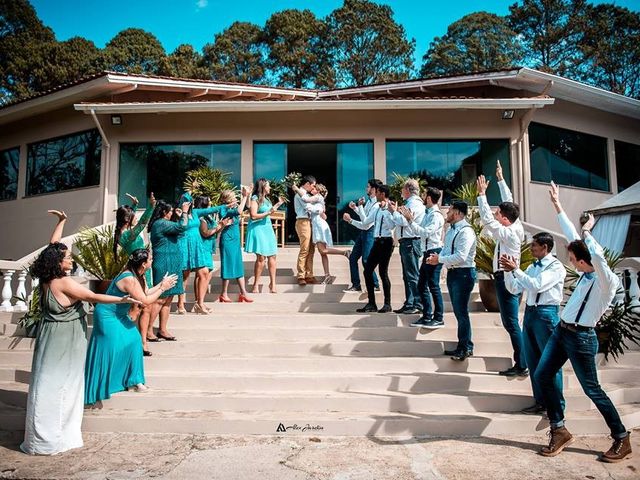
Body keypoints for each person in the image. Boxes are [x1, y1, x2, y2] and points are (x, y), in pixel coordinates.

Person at [21, 210, 141, 456]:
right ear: (58, 263)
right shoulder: (64, 283)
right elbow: (94, 296)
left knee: (45, 383)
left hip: (49, 337)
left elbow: (52, 246)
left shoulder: (47, 279)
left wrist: (61, 222)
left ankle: (39, 438)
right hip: (64, 341)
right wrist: (123, 298)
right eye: (67, 258)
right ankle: (54, 439)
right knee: (62, 385)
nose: (71, 259)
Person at [534, 181, 631, 462]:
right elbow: (573, 237)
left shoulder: (605, 281)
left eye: (575, 259)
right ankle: (559, 429)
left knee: (592, 389)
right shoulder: (587, 271)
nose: (573, 263)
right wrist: (557, 205)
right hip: (560, 332)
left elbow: (596, 255)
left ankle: (622, 438)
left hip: (581, 338)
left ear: (585, 260)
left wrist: (588, 232)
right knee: (542, 375)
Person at [84, 249, 178, 404]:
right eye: (150, 258)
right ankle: (100, 387)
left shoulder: (138, 276)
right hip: (107, 315)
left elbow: (146, 293)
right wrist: (162, 288)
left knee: (134, 340)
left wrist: (162, 285)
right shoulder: (129, 278)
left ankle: (134, 381)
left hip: (119, 315)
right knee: (108, 349)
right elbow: (145, 301)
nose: (152, 260)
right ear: (143, 263)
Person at [501, 232, 566, 415]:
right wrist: (507, 272)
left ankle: (556, 407)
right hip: (530, 313)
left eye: (534, 246)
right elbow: (514, 288)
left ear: (545, 247)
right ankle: (540, 402)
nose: (530, 249)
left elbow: (537, 285)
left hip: (546, 314)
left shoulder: (556, 267)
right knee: (533, 360)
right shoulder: (531, 266)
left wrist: (515, 270)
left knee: (550, 362)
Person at [476, 162, 527, 377]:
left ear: (505, 218)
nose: (495, 214)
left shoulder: (508, 233)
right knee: (511, 323)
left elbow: (487, 220)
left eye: (499, 213)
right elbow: (510, 203)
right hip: (506, 278)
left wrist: (481, 195)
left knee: (511, 323)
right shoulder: (515, 223)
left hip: (506, 280)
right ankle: (524, 360)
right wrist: (500, 179)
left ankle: (522, 362)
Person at [426, 201, 477, 361]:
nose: (446, 214)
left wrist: (439, 259)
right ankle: (462, 345)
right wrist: (438, 258)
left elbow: (461, 257)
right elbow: (447, 250)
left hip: (464, 274)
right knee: (458, 311)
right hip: (453, 273)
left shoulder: (466, 231)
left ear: (457, 213)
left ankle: (466, 347)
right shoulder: (450, 230)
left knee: (461, 311)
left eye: (449, 211)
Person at [114, 192, 158, 353]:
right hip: (137, 273)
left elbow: (130, 220)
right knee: (139, 307)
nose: (135, 218)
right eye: (133, 215)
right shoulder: (127, 236)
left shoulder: (123, 232)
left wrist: (133, 205)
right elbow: (143, 223)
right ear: (127, 219)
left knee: (145, 307)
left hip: (143, 270)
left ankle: (143, 341)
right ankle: (133, 340)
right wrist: (151, 206)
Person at [398, 186, 445, 328]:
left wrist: (411, 220)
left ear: (429, 198)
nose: (422, 197)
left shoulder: (436, 216)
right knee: (422, 285)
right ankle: (426, 316)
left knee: (433, 286)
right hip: (426, 251)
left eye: (424, 195)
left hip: (433, 251)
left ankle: (438, 317)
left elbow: (425, 233)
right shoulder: (428, 213)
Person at [344, 184, 395, 313]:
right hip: (377, 242)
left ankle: (387, 304)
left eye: (377, 192)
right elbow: (366, 222)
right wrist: (356, 211)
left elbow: (392, 225)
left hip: (386, 242)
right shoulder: (377, 207)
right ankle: (372, 304)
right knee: (367, 271)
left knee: (383, 273)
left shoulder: (390, 207)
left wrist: (389, 211)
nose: (375, 194)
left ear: (382, 194)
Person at [148, 199, 190, 341]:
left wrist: (179, 217)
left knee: (169, 298)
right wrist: (184, 212)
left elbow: (181, 230)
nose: (172, 213)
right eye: (170, 211)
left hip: (172, 263)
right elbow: (182, 227)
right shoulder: (160, 223)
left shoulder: (166, 224)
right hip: (164, 263)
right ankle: (148, 330)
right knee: (161, 298)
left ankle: (163, 329)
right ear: (164, 212)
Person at [293, 183, 350, 284]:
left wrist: (297, 189)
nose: (312, 189)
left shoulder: (317, 197)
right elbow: (324, 215)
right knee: (322, 253)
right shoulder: (318, 199)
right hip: (317, 225)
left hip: (319, 226)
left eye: (314, 188)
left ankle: (345, 252)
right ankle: (327, 275)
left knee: (322, 250)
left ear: (318, 191)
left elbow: (306, 200)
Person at [176, 194, 224, 314]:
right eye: (186, 202)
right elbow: (182, 225)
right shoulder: (179, 213)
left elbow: (210, 209)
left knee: (204, 272)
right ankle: (180, 303)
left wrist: (226, 205)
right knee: (185, 275)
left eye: (189, 202)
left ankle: (200, 303)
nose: (188, 203)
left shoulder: (196, 212)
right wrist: (184, 212)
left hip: (197, 246)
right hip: (184, 245)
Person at [388, 179, 426, 314]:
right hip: (407, 242)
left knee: (412, 274)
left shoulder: (414, 204)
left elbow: (404, 221)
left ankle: (417, 303)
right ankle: (410, 302)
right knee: (407, 275)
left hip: (411, 241)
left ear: (408, 190)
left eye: (403, 189)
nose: (401, 192)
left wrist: (393, 212)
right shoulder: (411, 203)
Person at [245, 178, 284, 293]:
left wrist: (277, 204)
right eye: (268, 186)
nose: (270, 187)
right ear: (263, 187)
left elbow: (269, 211)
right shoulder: (255, 198)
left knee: (273, 256)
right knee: (261, 257)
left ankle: (273, 284)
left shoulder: (267, 199)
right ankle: (256, 285)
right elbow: (253, 215)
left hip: (267, 228)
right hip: (257, 228)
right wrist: (268, 212)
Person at [343, 179, 381, 293]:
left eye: (368, 187)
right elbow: (363, 217)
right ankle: (356, 285)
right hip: (364, 232)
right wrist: (355, 208)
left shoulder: (377, 205)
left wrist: (350, 220)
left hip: (370, 233)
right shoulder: (369, 202)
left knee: (366, 260)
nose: (366, 188)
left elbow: (365, 224)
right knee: (353, 258)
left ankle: (375, 284)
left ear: (374, 189)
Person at [217, 185, 253, 302]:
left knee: (238, 265)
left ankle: (243, 293)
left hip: (235, 240)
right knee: (227, 265)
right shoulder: (224, 209)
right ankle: (223, 294)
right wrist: (244, 196)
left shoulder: (234, 206)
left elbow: (247, 206)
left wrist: (248, 195)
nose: (235, 199)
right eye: (233, 198)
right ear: (227, 199)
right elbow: (239, 211)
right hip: (227, 240)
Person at [293, 175, 317, 286]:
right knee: (305, 248)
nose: (313, 188)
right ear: (307, 184)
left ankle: (309, 274)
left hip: (310, 221)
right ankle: (301, 275)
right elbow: (308, 206)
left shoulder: (306, 194)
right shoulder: (300, 194)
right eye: (313, 185)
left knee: (311, 249)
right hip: (303, 221)